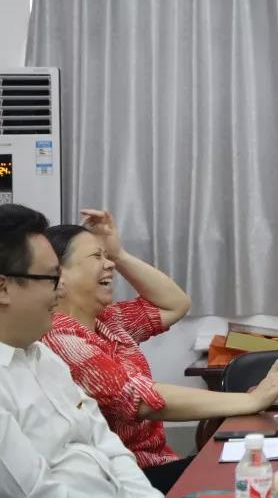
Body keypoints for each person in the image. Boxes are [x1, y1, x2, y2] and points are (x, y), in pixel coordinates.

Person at [42, 210, 278, 494]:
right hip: (124, 478)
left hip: (156, 462)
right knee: (254, 477)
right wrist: (251, 400)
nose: (109, 265)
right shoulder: (61, 336)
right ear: (58, 275)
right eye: (97, 257)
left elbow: (175, 304)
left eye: (107, 257)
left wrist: (120, 255)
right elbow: (142, 400)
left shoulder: (108, 320)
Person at [0, 203, 162, 497]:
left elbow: (109, 447)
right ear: (3, 288)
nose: (60, 290)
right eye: (51, 279)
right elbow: (38, 492)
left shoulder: (43, 357)